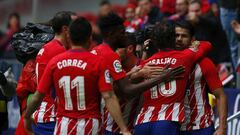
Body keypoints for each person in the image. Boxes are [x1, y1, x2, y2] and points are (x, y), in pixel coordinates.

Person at [24, 17, 133, 135]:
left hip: (63, 127)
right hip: (90, 127)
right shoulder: (98, 62)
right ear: (90, 38)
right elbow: (109, 96)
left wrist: (27, 116)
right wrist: (124, 128)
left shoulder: (55, 62)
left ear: (69, 37)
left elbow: (38, 96)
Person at [92, 13, 185, 134]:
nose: (124, 36)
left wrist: (131, 73)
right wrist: (162, 77)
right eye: (122, 32)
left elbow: (108, 85)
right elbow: (125, 90)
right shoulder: (110, 56)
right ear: (111, 34)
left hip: (102, 123)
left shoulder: (96, 51)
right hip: (111, 126)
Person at [133, 22, 212, 135]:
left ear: (154, 42)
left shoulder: (146, 63)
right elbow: (207, 45)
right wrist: (195, 44)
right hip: (167, 121)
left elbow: (130, 81)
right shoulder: (185, 57)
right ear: (172, 39)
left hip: (142, 121)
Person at [174, 20, 227, 135]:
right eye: (176, 35)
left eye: (184, 36)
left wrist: (222, 128)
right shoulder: (166, 61)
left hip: (201, 127)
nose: (179, 39)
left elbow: (220, 96)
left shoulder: (204, 62)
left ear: (193, 40)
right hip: (173, 128)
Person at [30, 11, 77, 135]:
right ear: (65, 29)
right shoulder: (58, 51)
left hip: (44, 113)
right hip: (50, 116)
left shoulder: (49, 47)